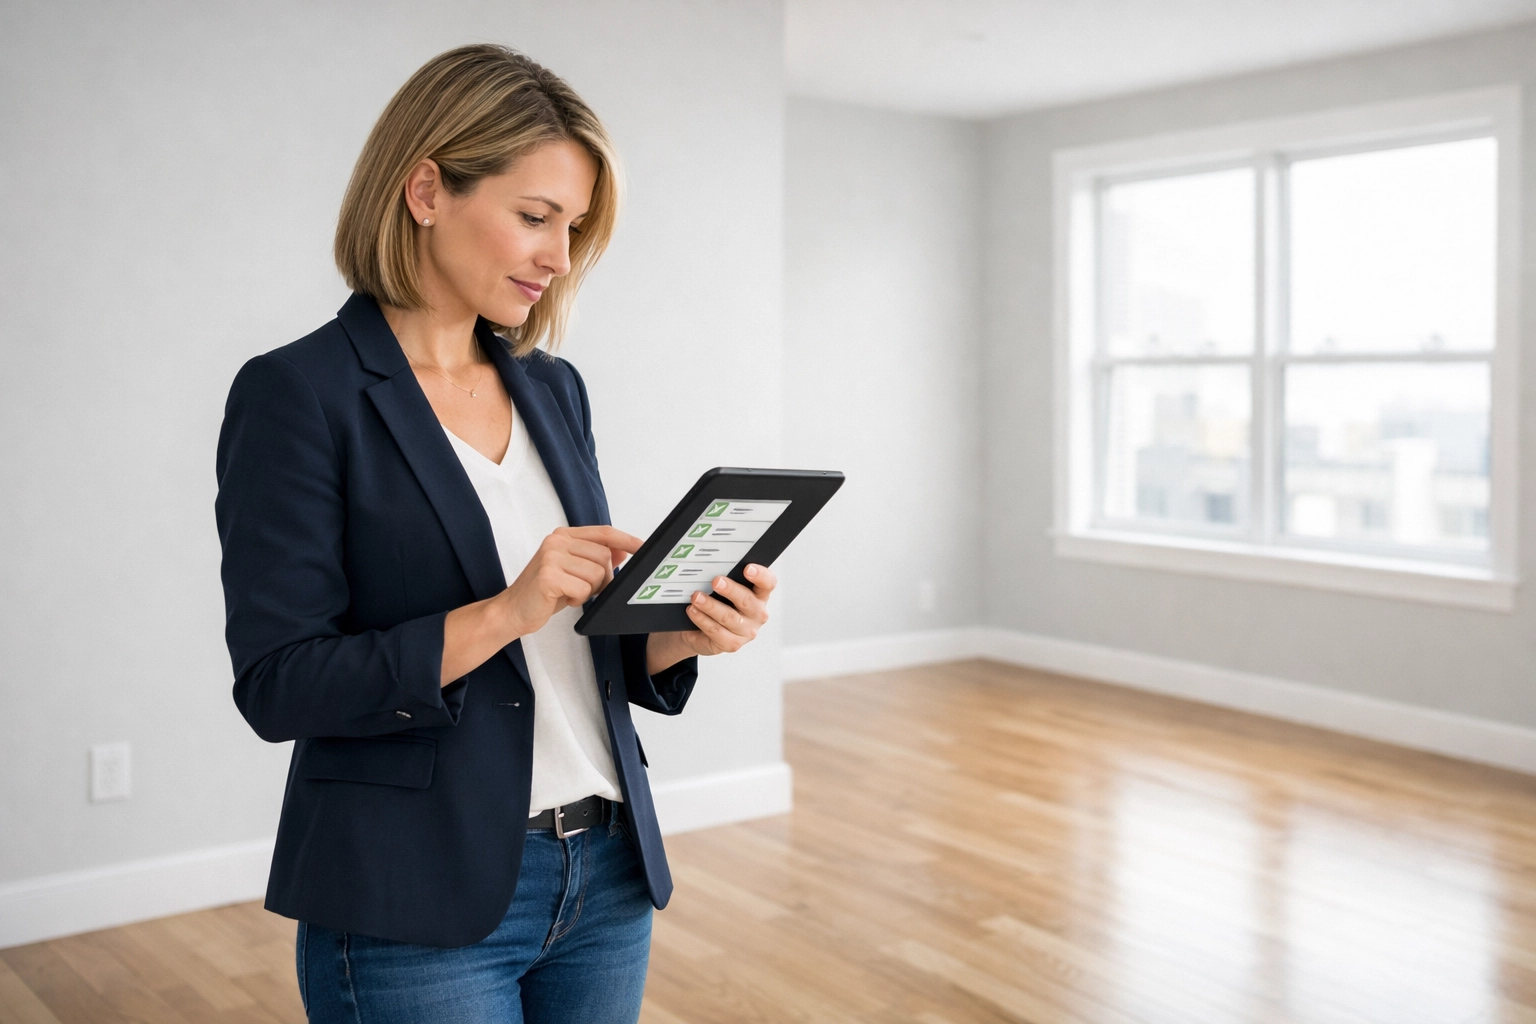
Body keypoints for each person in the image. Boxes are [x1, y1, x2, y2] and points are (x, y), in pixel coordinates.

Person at [214, 44, 774, 1023]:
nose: (560, 257)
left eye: (575, 227)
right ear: (427, 189)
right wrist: (506, 609)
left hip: (605, 875)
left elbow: (576, 649)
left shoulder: (553, 387)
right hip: (412, 898)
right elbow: (280, 683)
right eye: (536, 216)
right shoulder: (298, 393)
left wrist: (681, 633)